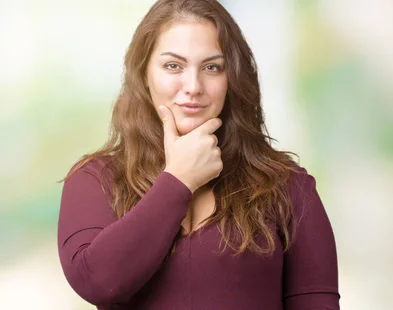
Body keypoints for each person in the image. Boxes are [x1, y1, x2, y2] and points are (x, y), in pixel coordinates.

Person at [56, 0, 339, 309]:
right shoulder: (95, 180)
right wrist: (177, 180)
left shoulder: (287, 186)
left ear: (232, 78)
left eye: (212, 67)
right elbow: (98, 282)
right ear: (143, 74)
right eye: (173, 66)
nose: (193, 86)